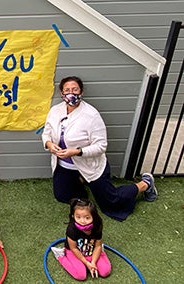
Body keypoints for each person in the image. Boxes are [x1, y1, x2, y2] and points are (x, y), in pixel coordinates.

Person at [41, 76, 158, 221]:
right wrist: (49, 144)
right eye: (67, 90)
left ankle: (145, 184)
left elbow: (101, 146)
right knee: (62, 196)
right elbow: (46, 132)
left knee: (111, 203)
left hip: (90, 165)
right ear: (61, 93)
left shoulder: (91, 115)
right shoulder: (55, 111)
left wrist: (77, 152)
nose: (71, 93)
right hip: (64, 165)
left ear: (81, 91)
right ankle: (81, 179)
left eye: (75, 89)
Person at [51, 198, 111, 280]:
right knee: (81, 276)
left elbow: (97, 246)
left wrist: (93, 263)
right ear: (73, 216)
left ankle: (101, 253)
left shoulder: (97, 226)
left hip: (91, 250)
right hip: (75, 252)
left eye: (87, 218)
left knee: (105, 272)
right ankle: (61, 256)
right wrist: (86, 263)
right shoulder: (72, 229)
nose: (82, 221)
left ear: (94, 216)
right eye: (78, 217)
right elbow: (73, 248)